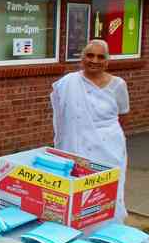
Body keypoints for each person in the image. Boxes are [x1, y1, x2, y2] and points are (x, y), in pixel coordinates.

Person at [50, 39, 130, 221]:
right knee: (79, 187)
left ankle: (109, 223)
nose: (94, 60)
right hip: (76, 145)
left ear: (107, 61)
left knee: (107, 188)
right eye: (90, 55)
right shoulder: (68, 82)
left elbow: (123, 115)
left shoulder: (118, 85)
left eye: (100, 56)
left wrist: (104, 134)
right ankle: (80, 222)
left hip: (109, 147)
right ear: (82, 58)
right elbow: (62, 114)